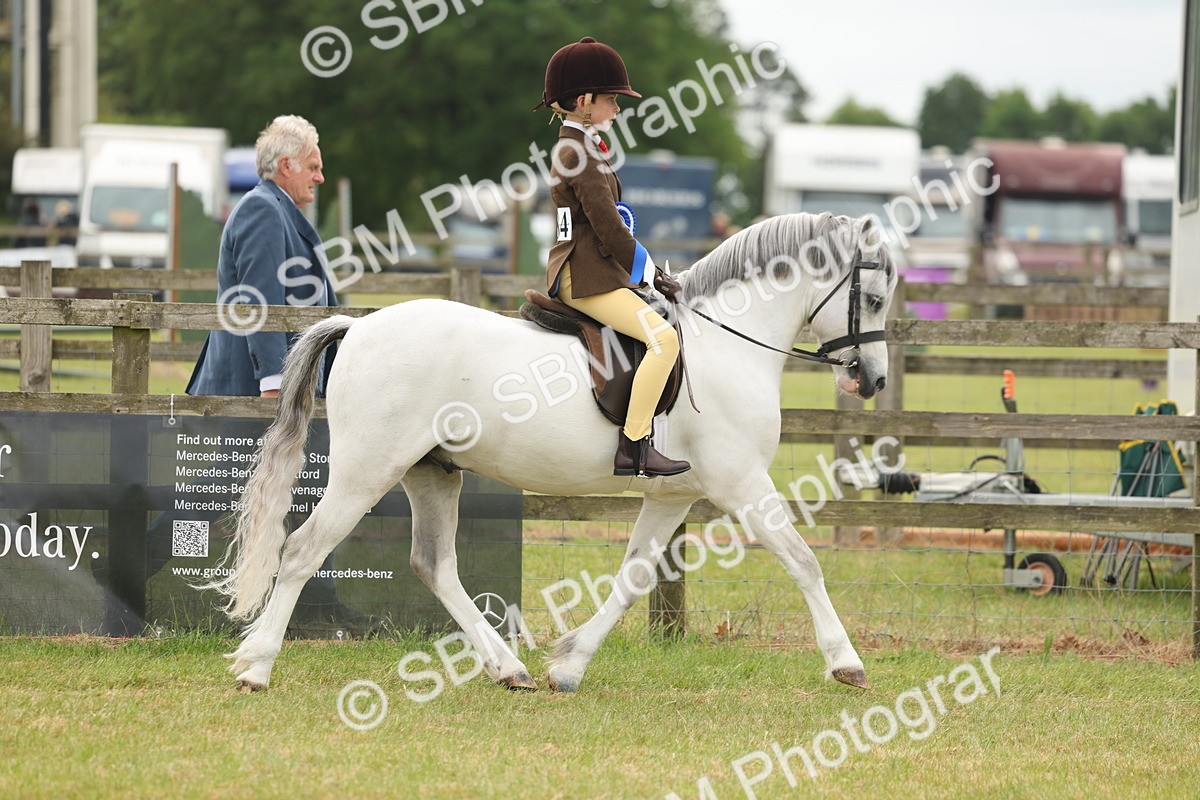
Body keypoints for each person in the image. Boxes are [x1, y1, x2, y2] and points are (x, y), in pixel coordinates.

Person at [186, 115, 367, 635]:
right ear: (286, 165)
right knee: (212, 495)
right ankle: (126, 575)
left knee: (310, 491)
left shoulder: (278, 209)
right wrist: (273, 382)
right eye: (313, 166)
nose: (320, 177)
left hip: (286, 383)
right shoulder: (263, 211)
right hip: (257, 386)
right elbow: (258, 301)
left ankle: (318, 603)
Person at [534, 36, 690, 479]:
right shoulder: (576, 153)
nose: (618, 109)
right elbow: (608, 226)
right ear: (584, 102)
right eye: (611, 100)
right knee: (664, 341)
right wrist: (651, 274)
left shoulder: (582, 146)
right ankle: (635, 446)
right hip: (585, 276)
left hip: (594, 269)